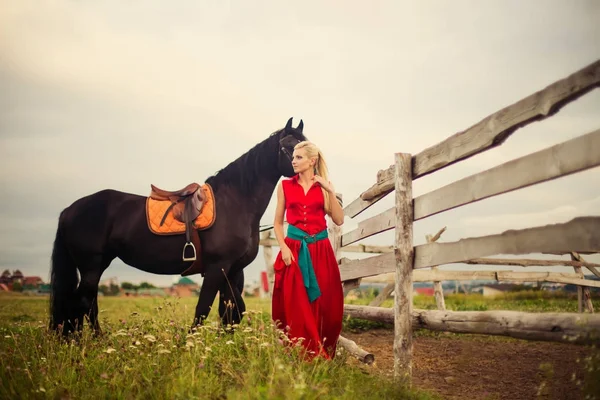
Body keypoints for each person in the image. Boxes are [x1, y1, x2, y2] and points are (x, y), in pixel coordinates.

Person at [271, 140, 344, 359]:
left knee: (327, 304)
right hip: (293, 249)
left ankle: (323, 348)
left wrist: (330, 190)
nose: (293, 161)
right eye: (293, 157)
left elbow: (339, 220)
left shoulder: (323, 187)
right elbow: (277, 222)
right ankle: (305, 354)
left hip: (321, 250)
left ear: (312, 161)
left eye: (298, 157)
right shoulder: (284, 186)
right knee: (296, 304)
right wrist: (283, 246)